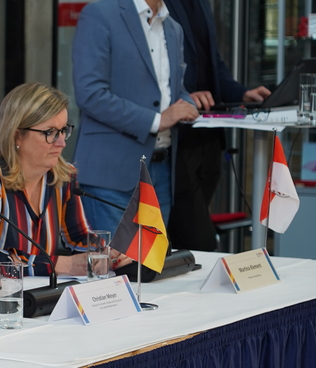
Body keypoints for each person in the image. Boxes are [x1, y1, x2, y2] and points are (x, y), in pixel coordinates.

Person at [0, 82, 130, 276]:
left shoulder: (63, 175)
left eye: (63, 130)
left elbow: (78, 238)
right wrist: (60, 265)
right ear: (17, 135)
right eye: (50, 133)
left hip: (37, 294)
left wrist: (108, 253)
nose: (61, 143)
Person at [73, 0, 200, 234]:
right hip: (111, 174)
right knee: (112, 268)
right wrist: (157, 120)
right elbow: (90, 93)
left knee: (152, 268)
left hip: (161, 171)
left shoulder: (173, 27)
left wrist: (189, 103)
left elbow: (173, 90)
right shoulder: (100, 14)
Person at [164, 0, 270, 251]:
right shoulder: (155, 5)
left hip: (209, 138)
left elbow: (214, 65)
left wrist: (243, 93)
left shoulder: (201, 4)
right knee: (198, 240)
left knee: (189, 237)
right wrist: (187, 94)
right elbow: (153, 68)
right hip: (176, 138)